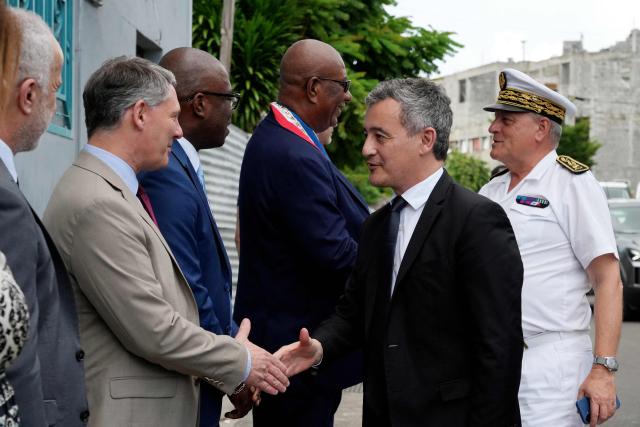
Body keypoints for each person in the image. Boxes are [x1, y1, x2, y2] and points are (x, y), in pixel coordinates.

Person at [43, 56, 289, 427]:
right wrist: (243, 361)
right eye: (173, 117)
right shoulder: (97, 203)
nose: (179, 132)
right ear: (140, 114)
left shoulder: (117, 192)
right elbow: (153, 330)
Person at [276, 77, 524, 427]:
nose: (366, 149)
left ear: (426, 139)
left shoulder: (476, 220)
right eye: (366, 135)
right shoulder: (376, 227)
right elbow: (354, 313)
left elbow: (499, 349)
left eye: (380, 136)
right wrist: (318, 348)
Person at [233, 39, 370, 426]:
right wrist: (392, 264)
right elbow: (334, 252)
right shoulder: (290, 152)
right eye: (341, 86)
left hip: (292, 349)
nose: (347, 96)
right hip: (295, 352)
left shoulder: (286, 140)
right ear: (313, 88)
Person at [478, 68, 622, 427]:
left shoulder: (571, 183)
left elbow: (608, 280)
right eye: (495, 119)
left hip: (550, 368)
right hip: (491, 362)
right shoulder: (491, 191)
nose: (493, 127)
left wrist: (603, 369)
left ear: (541, 129)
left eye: (506, 120)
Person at [138, 47, 251, 425]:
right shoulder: (165, 170)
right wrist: (234, 366)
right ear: (200, 104)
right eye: (229, 99)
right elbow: (186, 284)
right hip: (191, 371)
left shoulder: (181, 163)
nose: (231, 110)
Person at [0, 6, 89, 426]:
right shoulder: (5, 200)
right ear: (29, 94)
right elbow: (14, 359)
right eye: (56, 91)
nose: (56, 105)